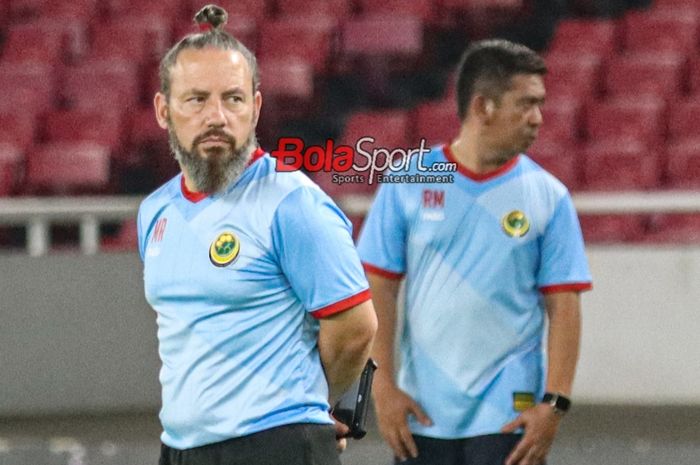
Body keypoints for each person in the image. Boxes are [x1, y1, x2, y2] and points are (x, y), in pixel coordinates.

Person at [136, 5, 377, 465]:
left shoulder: (292, 204)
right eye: (196, 99)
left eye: (233, 99)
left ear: (256, 107)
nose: (217, 116)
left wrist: (310, 404)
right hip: (181, 448)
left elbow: (355, 327)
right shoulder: (155, 212)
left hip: (277, 444)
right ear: (164, 110)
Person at [357, 39, 592, 465]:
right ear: (483, 107)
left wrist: (555, 403)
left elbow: (565, 306)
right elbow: (378, 290)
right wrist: (382, 387)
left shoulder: (549, 197)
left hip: (509, 416)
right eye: (527, 104)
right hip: (422, 411)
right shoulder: (408, 182)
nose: (539, 118)